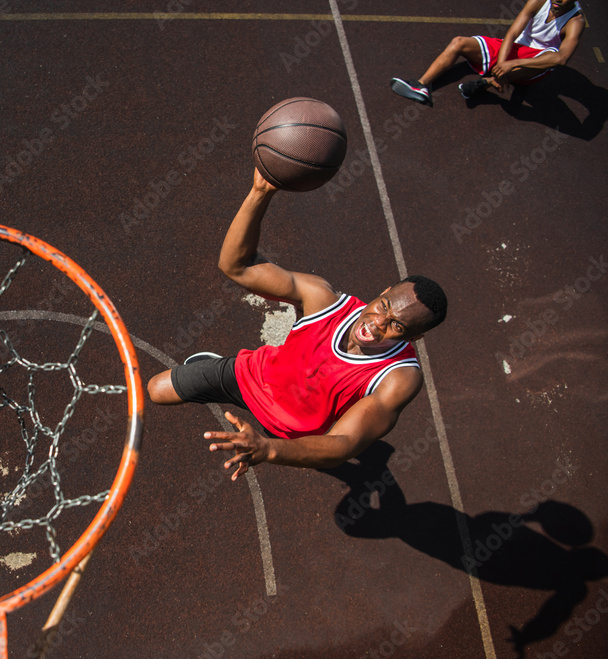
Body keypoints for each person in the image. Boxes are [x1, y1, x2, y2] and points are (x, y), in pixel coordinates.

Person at [146, 169, 447, 480]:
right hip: (252, 376)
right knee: (156, 390)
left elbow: (342, 445)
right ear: (384, 292)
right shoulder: (324, 300)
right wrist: (260, 192)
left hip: (296, 431)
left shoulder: (400, 378)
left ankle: (277, 441)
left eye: (396, 326)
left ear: (417, 337)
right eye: (383, 307)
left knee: (322, 456)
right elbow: (236, 267)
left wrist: (268, 449)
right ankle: (216, 367)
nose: (377, 323)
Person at [390, 0, 585, 106]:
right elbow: (512, 33)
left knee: (550, 56)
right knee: (458, 43)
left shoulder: (575, 22)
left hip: (533, 64)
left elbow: (561, 59)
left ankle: (491, 81)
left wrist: (509, 66)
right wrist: (502, 64)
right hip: (513, 51)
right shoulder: (539, 1)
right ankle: (421, 86)